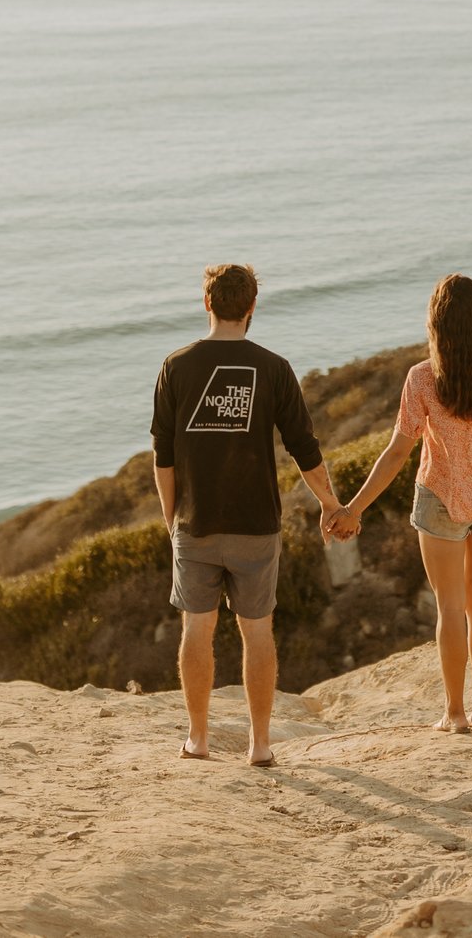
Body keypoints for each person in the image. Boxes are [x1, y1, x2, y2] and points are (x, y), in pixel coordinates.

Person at [151, 262, 347, 767]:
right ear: (252, 306)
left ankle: (199, 739)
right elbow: (305, 448)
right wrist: (332, 505)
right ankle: (260, 746)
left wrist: (171, 516)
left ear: (207, 303)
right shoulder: (274, 368)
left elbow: (163, 456)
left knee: (197, 628)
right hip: (257, 524)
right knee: (257, 631)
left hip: (195, 523)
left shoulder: (176, 366)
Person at [328, 274, 472, 733]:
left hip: (440, 497)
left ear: (437, 325)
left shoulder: (423, 378)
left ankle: (455, 713)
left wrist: (353, 508)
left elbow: (398, 451)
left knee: (449, 605)